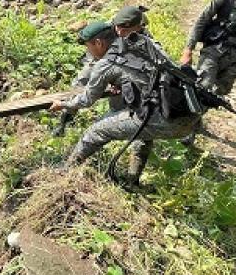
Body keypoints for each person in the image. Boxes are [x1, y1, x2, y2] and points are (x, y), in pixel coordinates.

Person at [50, 21, 202, 186]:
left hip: (166, 121)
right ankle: (131, 181)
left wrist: (63, 104)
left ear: (99, 43)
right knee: (143, 129)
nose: (89, 52)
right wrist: (124, 84)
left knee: (96, 131)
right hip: (189, 114)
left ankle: (66, 171)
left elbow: (86, 100)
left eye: (89, 47)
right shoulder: (143, 43)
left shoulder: (105, 64)